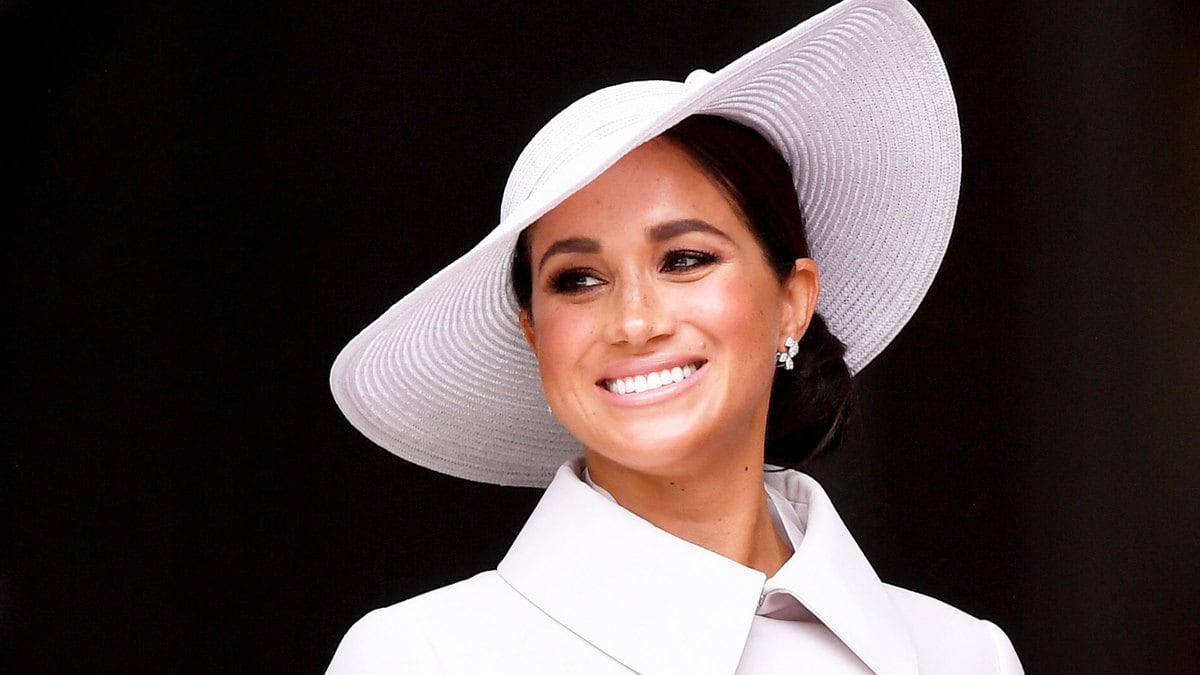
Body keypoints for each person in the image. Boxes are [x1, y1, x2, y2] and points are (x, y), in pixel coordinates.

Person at [326, 0, 1023, 672]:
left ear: (792, 302)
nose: (635, 322)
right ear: (535, 336)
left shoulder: (963, 656)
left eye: (685, 260)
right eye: (578, 279)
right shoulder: (421, 657)